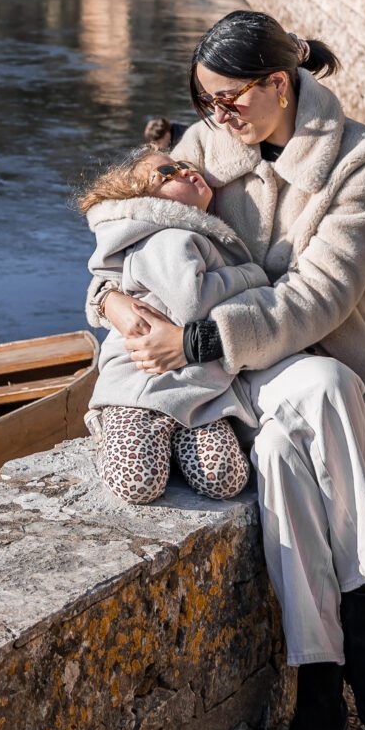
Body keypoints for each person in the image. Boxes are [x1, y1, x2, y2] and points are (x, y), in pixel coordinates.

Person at [88, 11, 365, 730]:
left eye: (232, 100)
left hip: (303, 359)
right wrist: (112, 306)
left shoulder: (359, 159)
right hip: (232, 383)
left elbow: (320, 297)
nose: (218, 119)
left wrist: (199, 341)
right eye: (207, 103)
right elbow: (124, 235)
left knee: (299, 430)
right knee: (302, 415)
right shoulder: (203, 146)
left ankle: (320, 681)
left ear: (280, 83)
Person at [79, 149, 265, 503]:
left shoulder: (195, 233)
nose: (183, 172)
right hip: (139, 389)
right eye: (167, 173)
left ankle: (174, 442)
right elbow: (192, 302)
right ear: (145, 199)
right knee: (137, 483)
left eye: (184, 166)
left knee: (225, 478)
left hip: (197, 393)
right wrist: (253, 274)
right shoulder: (169, 236)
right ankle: (111, 428)